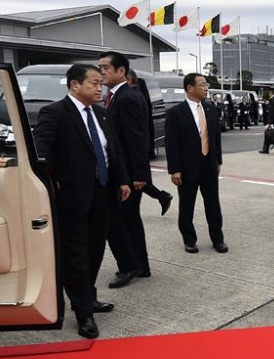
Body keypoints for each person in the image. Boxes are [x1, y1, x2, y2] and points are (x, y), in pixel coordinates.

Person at [33, 64, 131, 340]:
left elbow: (113, 150)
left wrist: (122, 179)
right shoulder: (55, 113)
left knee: (95, 249)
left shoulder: (100, 113)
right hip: (72, 197)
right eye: (94, 83)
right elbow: (40, 152)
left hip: (102, 192)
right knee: (76, 255)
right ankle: (82, 312)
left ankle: (88, 297)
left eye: (101, 83)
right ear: (75, 85)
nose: (100, 88)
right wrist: (52, 186)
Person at [99, 51, 151, 289]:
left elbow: (137, 139)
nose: (101, 72)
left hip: (128, 174)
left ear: (121, 71)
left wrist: (138, 176)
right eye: (100, 68)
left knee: (114, 221)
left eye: (105, 68)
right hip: (129, 173)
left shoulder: (127, 98)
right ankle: (141, 265)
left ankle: (128, 266)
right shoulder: (119, 96)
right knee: (130, 220)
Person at [165, 73, 228, 254]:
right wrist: (175, 169)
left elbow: (215, 139)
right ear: (190, 88)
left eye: (206, 84)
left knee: (213, 204)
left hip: (209, 165)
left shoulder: (211, 110)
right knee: (187, 205)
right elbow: (172, 144)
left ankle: (218, 239)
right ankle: (189, 240)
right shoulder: (175, 113)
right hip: (186, 168)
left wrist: (218, 161)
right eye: (202, 84)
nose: (206, 88)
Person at [126, 69, 173, 216]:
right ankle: (163, 197)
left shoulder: (132, 98)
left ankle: (163, 196)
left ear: (129, 80)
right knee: (142, 182)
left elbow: (137, 132)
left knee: (138, 182)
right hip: (140, 151)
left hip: (137, 151)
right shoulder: (138, 95)